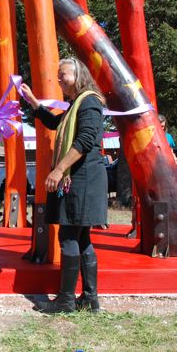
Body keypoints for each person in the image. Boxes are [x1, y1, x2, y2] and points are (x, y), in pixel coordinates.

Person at [20, 57, 107, 313]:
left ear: (79, 76)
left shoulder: (89, 101)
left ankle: (66, 300)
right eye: (58, 75)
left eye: (64, 75)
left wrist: (58, 169)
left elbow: (86, 140)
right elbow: (55, 124)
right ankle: (90, 300)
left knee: (69, 235)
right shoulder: (74, 106)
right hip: (81, 179)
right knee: (82, 238)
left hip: (82, 179)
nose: (59, 79)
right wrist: (34, 104)